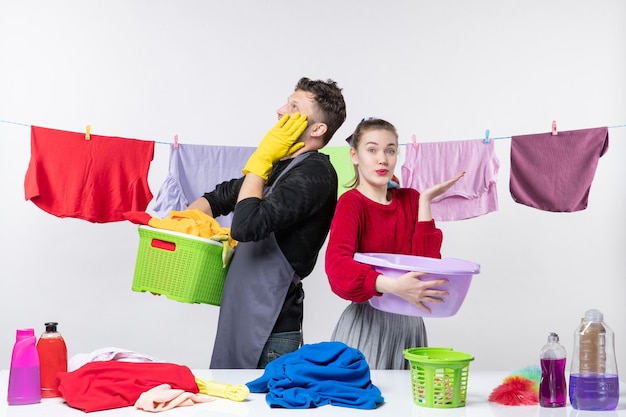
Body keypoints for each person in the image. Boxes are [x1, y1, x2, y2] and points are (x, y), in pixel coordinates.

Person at [188, 77, 347, 369]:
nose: (279, 110)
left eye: (293, 106)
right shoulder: (279, 167)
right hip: (238, 317)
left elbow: (246, 226)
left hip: (271, 332)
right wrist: (181, 229)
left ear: (317, 128)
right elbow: (221, 197)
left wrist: (260, 159)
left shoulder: (315, 175)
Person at [325, 118, 464, 370]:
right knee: (363, 403)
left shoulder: (411, 199)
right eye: (372, 149)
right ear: (354, 155)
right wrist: (392, 285)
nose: (383, 159)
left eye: (390, 150)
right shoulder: (351, 203)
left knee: (409, 405)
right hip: (368, 325)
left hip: (410, 327)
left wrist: (425, 202)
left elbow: (426, 266)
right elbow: (337, 267)